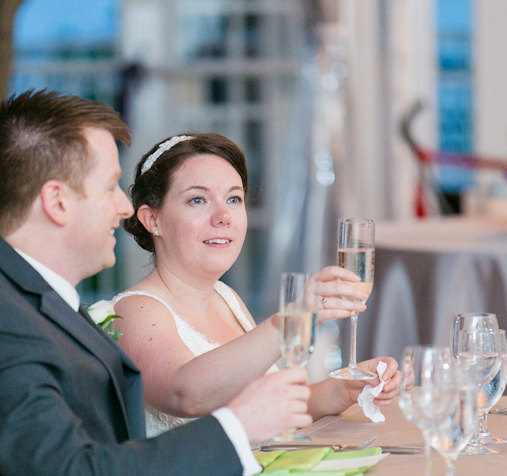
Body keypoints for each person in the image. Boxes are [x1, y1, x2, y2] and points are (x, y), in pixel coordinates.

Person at [0, 91, 319, 476]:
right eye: (111, 187)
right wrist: (236, 428)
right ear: (57, 202)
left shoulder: (27, 301)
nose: (124, 207)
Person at [114, 132, 398, 437]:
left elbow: (266, 410)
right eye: (198, 200)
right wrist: (292, 319)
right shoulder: (133, 311)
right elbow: (187, 395)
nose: (224, 216)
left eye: (233, 199)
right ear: (152, 220)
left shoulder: (226, 298)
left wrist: (341, 391)